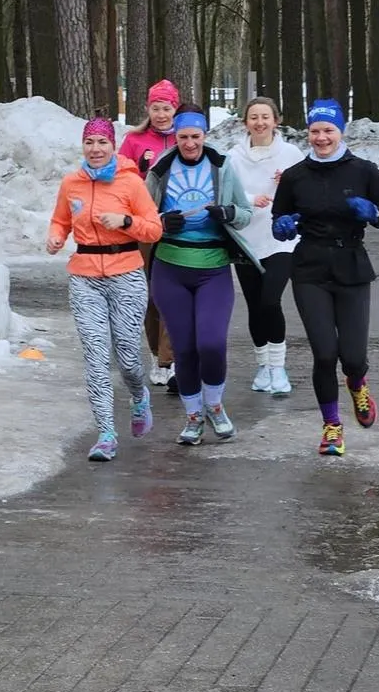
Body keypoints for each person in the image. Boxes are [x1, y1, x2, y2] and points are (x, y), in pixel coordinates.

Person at [271, 98, 379, 456]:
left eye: (328, 130)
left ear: (341, 131)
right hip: (310, 267)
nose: (321, 138)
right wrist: (282, 227)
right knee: (325, 353)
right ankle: (332, 427)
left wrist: (372, 211)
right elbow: (280, 221)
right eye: (315, 131)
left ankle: (357, 383)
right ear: (307, 133)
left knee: (352, 356)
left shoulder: (364, 170)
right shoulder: (295, 176)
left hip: (352, 265)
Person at [47, 116, 163, 461]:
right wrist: (55, 236)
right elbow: (60, 220)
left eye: (102, 143)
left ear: (113, 147)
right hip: (85, 277)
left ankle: (139, 394)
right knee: (96, 356)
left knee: (127, 356)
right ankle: (106, 434)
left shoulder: (131, 184)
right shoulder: (71, 184)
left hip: (126, 272)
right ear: (82, 147)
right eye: (90, 143)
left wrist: (126, 221)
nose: (95, 150)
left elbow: (154, 229)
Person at [145, 104, 256, 446]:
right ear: (174, 137)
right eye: (183, 138)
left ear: (205, 135)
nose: (189, 144)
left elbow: (246, 213)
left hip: (213, 267)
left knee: (210, 343)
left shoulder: (222, 166)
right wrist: (162, 224)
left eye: (195, 137)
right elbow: (142, 218)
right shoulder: (161, 168)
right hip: (171, 268)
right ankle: (193, 417)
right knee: (185, 348)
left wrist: (228, 212)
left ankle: (215, 405)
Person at [226, 97, 305, 395]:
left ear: (276, 120)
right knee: (255, 305)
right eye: (253, 117)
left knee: (271, 300)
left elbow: (306, 191)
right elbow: (226, 193)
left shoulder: (291, 153)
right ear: (245, 122)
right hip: (245, 240)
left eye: (265, 117)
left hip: (280, 239)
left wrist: (290, 182)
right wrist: (249, 198)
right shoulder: (233, 157)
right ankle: (262, 366)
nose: (260, 123)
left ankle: (278, 367)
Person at [120, 79, 181, 392]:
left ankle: (168, 362)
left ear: (176, 108)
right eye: (156, 108)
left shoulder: (184, 137)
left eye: (166, 108)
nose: (161, 114)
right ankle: (158, 351)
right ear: (148, 109)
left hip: (175, 225)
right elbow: (120, 178)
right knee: (148, 294)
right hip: (143, 225)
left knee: (170, 290)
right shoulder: (134, 140)